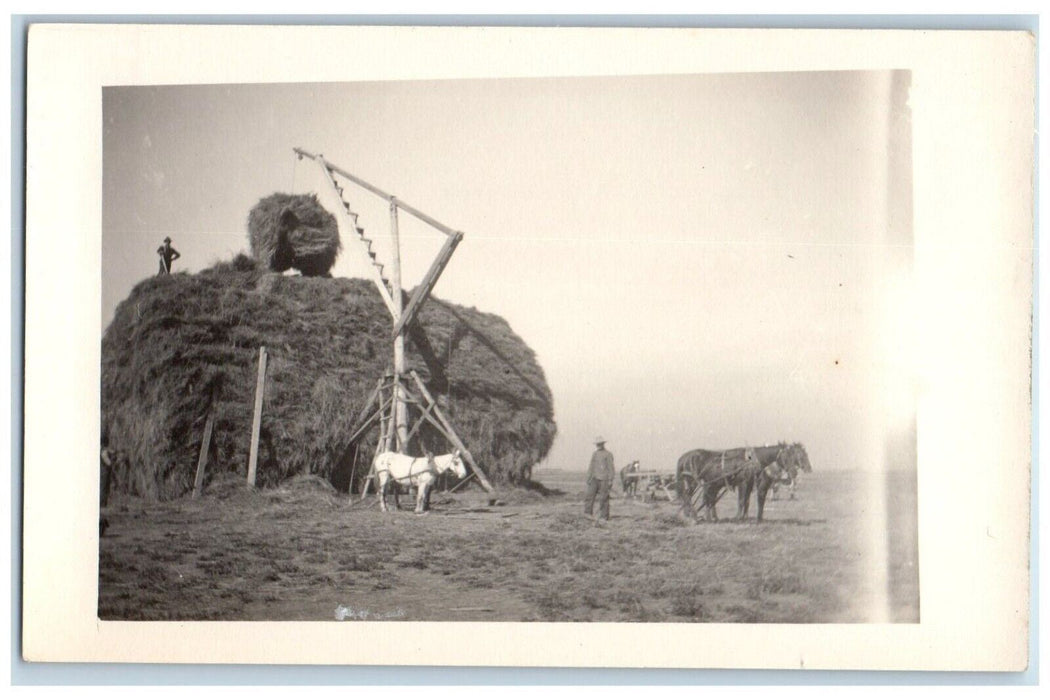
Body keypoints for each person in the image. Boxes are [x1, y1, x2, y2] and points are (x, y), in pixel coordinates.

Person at [584, 436, 615, 521]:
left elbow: (611, 468)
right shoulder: (595, 454)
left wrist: (610, 480)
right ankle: (587, 513)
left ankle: (604, 517)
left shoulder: (608, 454)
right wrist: (588, 477)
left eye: (600, 444)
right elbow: (591, 466)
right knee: (589, 495)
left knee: (603, 498)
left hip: (604, 479)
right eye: (597, 444)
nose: (599, 445)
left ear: (603, 444)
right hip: (594, 478)